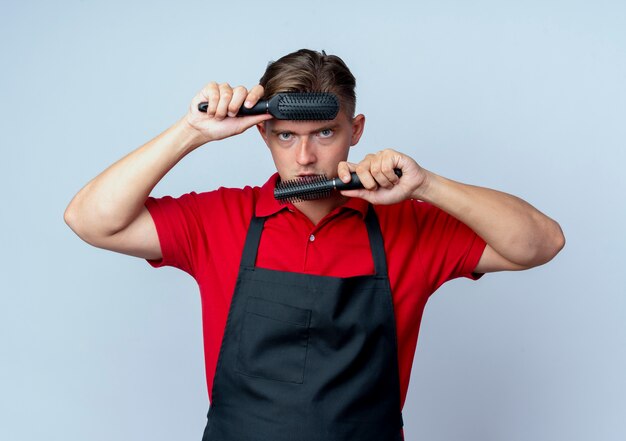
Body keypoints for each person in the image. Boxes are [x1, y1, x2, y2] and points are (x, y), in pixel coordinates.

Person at [64, 49, 565, 441]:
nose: (305, 157)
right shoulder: (221, 219)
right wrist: (190, 133)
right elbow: (90, 220)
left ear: (356, 131)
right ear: (263, 135)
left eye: (325, 132)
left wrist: (427, 185)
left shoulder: (407, 224)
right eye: (285, 136)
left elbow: (541, 243)